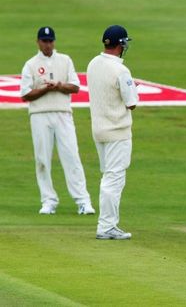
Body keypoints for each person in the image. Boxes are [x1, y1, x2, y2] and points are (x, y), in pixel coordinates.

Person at [20, 26, 95, 215]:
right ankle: (48, 201)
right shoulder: (30, 64)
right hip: (39, 115)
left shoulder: (65, 60)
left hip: (63, 113)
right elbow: (26, 94)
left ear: (54, 41)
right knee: (42, 159)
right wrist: (46, 89)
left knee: (71, 156)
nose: (48, 44)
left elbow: (75, 87)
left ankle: (83, 201)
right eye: (44, 41)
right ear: (38, 42)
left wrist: (59, 85)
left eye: (51, 41)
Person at [87, 25, 138, 240]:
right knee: (113, 179)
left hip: (99, 130)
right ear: (121, 44)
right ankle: (107, 226)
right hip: (117, 131)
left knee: (109, 176)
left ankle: (108, 224)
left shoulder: (92, 64)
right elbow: (132, 103)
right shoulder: (121, 70)